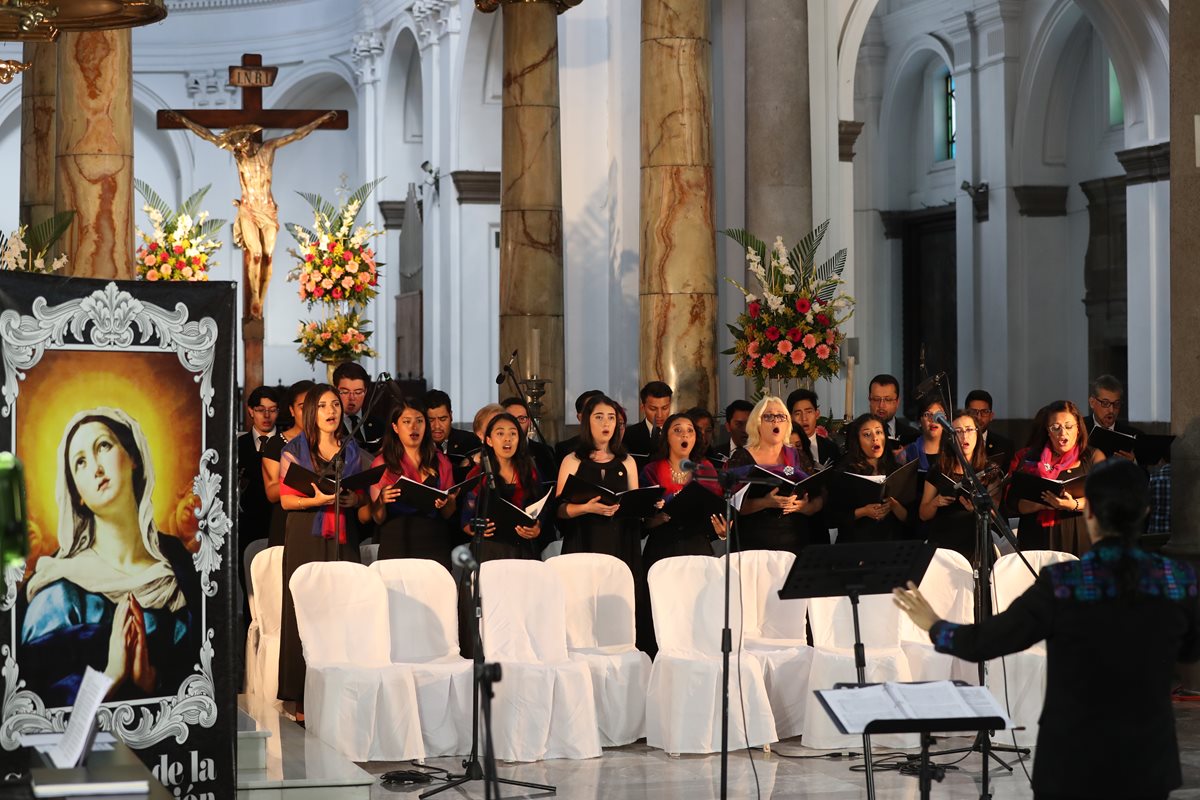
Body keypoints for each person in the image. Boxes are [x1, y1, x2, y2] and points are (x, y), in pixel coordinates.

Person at [894, 458, 1200, 800]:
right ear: (1145, 511)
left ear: (1090, 514)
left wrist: (936, 626)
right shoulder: (1177, 579)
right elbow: (1190, 652)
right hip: (1147, 759)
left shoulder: (1064, 582)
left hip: (1073, 756)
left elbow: (985, 642)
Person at [22, 408, 199, 706]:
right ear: (77, 493)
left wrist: (152, 682)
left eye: (103, 446)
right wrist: (111, 677)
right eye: (80, 462)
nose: (95, 468)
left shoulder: (179, 568)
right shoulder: (59, 596)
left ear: (132, 457)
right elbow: (37, 702)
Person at [167, 109, 337, 319]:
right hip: (247, 209)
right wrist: (183, 120)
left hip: (267, 210)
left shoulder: (268, 148)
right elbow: (208, 135)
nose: (241, 151)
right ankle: (255, 299)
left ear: (249, 139)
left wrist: (320, 120)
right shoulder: (237, 154)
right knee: (255, 254)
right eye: (237, 148)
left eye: (243, 146)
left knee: (267, 256)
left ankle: (261, 301)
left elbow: (296, 135)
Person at [277, 384, 368, 710]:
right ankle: (302, 695)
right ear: (310, 412)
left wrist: (351, 497)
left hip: (344, 532)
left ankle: (343, 692)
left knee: (345, 607)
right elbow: (287, 500)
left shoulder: (351, 448)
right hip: (307, 533)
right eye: (324, 406)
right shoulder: (295, 449)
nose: (332, 411)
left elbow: (360, 496)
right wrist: (315, 500)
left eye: (336, 405)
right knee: (307, 608)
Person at [556, 393, 645, 597]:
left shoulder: (627, 461)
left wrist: (647, 505)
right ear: (587, 421)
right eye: (599, 417)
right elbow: (559, 510)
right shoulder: (572, 460)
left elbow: (634, 504)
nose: (606, 422)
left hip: (620, 540)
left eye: (611, 417)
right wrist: (586, 508)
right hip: (584, 538)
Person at [725, 396, 824, 554]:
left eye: (780, 416)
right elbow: (731, 505)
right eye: (769, 416)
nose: (775, 421)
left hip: (795, 541)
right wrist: (765, 502)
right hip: (754, 544)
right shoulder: (742, 457)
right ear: (757, 424)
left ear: (787, 424)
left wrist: (806, 507)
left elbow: (819, 496)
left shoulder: (798, 456)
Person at [368, 398, 458, 569]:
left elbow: (448, 513)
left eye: (419, 421)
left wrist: (449, 502)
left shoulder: (440, 461)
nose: (414, 427)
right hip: (397, 542)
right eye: (407, 422)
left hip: (435, 543)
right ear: (395, 427)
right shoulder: (382, 464)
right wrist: (381, 500)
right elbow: (378, 518)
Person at [1011, 400, 1105, 555]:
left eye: (1068, 426)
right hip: (1036, 538)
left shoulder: (1093, 456)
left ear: (1078, 429)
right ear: (1048, 431)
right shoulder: (1031, 457)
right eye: (1056, 428)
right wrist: (1041, 504)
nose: (1063, 433)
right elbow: (1014, 503)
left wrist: (1072, 504)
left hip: (1078, 534)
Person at [459, 412, 550, 563]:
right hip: (489, 550)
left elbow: (542, 508)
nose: (507, 439)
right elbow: (465, 519)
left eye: (513, 434)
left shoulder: (530, 472)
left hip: (524, 548)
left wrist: (537, 526)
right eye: (500, 433)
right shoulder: (478, 474)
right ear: (489, 440)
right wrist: (475, 529)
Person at [918, 409, 1001, 560]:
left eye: (969, 430)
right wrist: (935, 503)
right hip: (944, 544)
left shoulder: (989, 470)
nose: (964, 436)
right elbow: (923, 514)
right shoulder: (939, 469)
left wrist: (977, 508)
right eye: (958, 431)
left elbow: (995, 516)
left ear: (977, 433)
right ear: (950, 437)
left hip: (976, 543)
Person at [828, 413, 909, 543]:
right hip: (854, 545)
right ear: (857, 441)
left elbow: (910, 519)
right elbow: (832, 518)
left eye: (878, 432)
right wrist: (864, 511)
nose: (875, 438)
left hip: (890, 545)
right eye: (867, 434)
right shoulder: (844, 472)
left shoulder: (897, 469)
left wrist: (894, 505)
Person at [237, 385, 278, 631]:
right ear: (250, 411)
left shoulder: (287, 444)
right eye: (261, 410)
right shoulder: (237, 446)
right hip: (248, 525)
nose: (267, 416)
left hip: (278, 521)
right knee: (250, 591)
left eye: (272, 410)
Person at [261, 380, 314, 547]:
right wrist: (303, 478)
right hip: (287, 522)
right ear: (292, 410)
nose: (308, 412)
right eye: (302, 407)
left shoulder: (328, 442)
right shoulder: (277, 444)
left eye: (314, 406)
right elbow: (271, 492)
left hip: (319, 519)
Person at [1085, 375, 1142, 461]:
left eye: (1116, 404)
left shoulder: (1134, 435)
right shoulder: (1078, 429)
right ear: (1092, 402)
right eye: (1105, 403)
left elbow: (1145, 473)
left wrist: (1133, 462)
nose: (1111, 410)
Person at [501, 396, 557, 484]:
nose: (517, 424)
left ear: (529, 421)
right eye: (511, 419)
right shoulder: (496, 452)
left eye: (522, 419)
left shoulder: (545, 451)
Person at [333, 362, 384, 453]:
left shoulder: (379, 425)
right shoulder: (330, 426)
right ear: (335, 390)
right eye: (345, 392)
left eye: (358, 392)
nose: (352, 398)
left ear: (366, 391)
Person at [787, 388, 841, 468]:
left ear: (817, 414)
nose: (804, 418)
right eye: (798, 413)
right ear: (790, 417)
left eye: (809, 412)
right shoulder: (784, 448)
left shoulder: (831, 448)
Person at [622, 381, 673, 464]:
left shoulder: (677, 433)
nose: (659, 415)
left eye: (664, 408)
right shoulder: (628, 434)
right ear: (643, 407)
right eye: (653, 409)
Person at [424, 389, 480, 459]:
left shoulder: (469, 442)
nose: (437, 426)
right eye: (431, 420)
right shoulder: (416, 445)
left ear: (451, 416)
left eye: (443, 419)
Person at [964, 388, 1013, 469]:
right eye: (973, 412)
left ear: (991, 416)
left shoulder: (1005, 446)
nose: (979, 417)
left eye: (984, 412)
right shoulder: (955, 443)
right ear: (965, 414)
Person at [554, 389, 604, 463]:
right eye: (591, 410)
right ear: (580, 417)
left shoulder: (621, 446)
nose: (602, 418)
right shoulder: (566, 449)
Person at [867, 373, 918, 445]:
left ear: (897, 402)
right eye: (876, 399)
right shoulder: (854, 432)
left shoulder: (913, 437)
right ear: (869, 400)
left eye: (888, 400)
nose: (881, 405)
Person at [902, 396, 946, 473]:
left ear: (945, 419)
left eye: (938, 415)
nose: (932, 420)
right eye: (927, 414)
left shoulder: (952, 451)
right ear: (919, 421)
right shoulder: (909, 452)